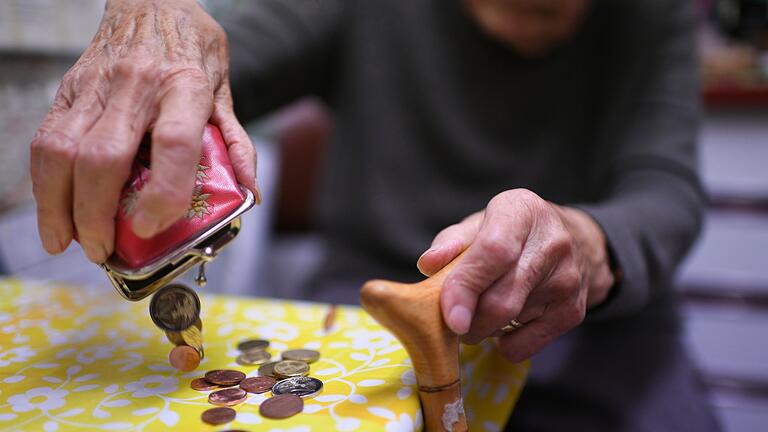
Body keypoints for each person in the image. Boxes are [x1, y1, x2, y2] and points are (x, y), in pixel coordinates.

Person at [30, 0, 720, 430]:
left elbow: (665, 189)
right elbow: (218, 64)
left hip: (598, 332)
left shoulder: (650, 16)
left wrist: (584, 243)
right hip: (368, 310)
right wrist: (161, 26)